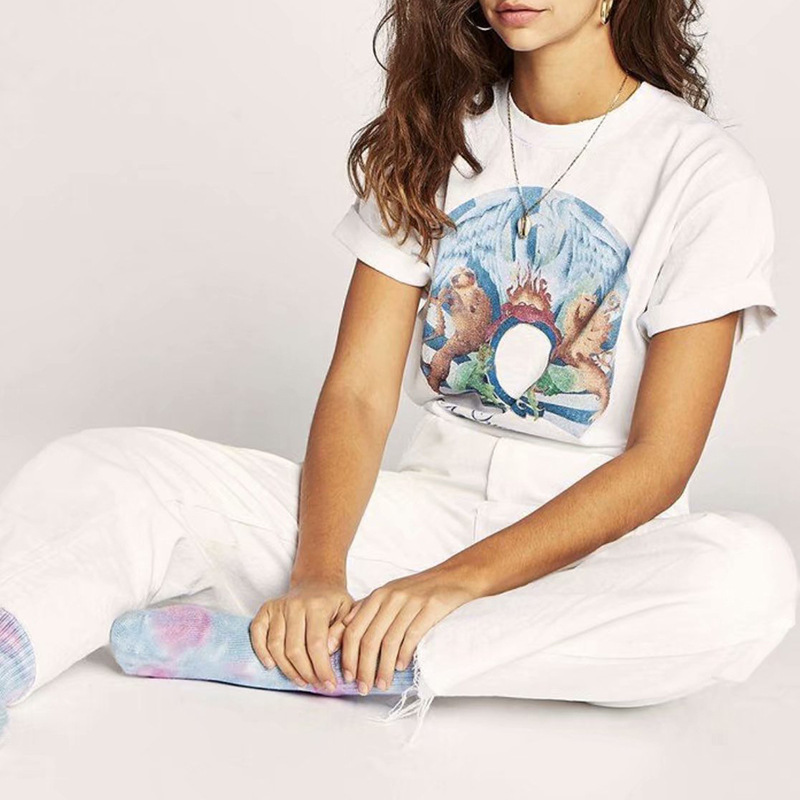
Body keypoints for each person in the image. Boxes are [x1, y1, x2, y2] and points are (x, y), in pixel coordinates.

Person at [1, 0, 797, 747]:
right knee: (112, 470)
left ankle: (365, 660)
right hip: (417, 524)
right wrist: (318, 576)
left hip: (595, 556)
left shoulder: (702, 174)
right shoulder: (436, 138)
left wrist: (453, 585)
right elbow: (358, 392)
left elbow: (661, 461)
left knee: (746, 581)